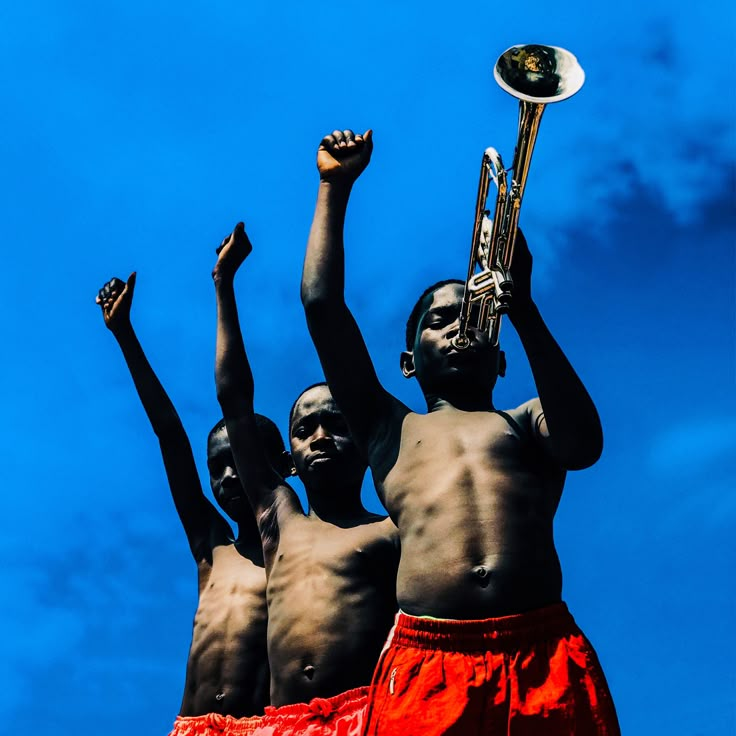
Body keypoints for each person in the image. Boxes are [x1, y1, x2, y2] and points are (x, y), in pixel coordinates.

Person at [300, 129, 620, 735]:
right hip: (428, 661)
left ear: (500, 357)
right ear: (408, 361)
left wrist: (520, 305)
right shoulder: (388, 428)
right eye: (439, 321)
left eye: (476, 316)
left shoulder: (526, 421)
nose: (459, 328)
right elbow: (321, 305)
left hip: (543, 652)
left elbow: (584, 446)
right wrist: (333, 187)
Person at [212, 222, 399, 735]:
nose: (320, 436)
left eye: (337, 425)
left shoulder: (392, 532)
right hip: (281, 725)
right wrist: (224, 287)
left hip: (369, 718)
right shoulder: (279, 519)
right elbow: (235, 401)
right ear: (289, 457)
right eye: (304, 428)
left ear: (366, 445)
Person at [97, 274, 288, 735]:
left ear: (281, 466)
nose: (226, 478)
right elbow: (169, 435)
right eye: (216, 468)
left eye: (238, 463)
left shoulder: (297, 559)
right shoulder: (212, 548)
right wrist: (124, 333)